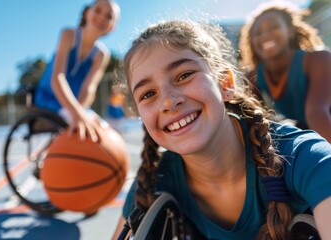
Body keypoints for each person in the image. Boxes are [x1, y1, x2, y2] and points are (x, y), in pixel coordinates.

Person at [112, 20, 331, 239]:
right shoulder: (150, 183)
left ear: (225, 83)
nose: (168, 101)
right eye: (148, 94)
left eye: (184, 75)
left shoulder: (304, 157)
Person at [238, 0, 331, 142]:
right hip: (309, 130)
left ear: (291, 31)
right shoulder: (254, 75)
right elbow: (253, 121)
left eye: (273, 27)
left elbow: (316, 113)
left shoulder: (318, 59)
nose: (265, 35)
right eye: (258, 32)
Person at [33, 0, 120, 141]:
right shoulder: (68, 35)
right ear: (87, 12)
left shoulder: (102, 54)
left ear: (112, 27)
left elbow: (89, 88)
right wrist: (76, 113)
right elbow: (57, 78)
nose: (102, 17)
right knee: (82, 129)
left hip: (77, 105)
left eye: (109, 16)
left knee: (104, 131)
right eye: (98, 10)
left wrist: (79, 111)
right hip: (49, 98)